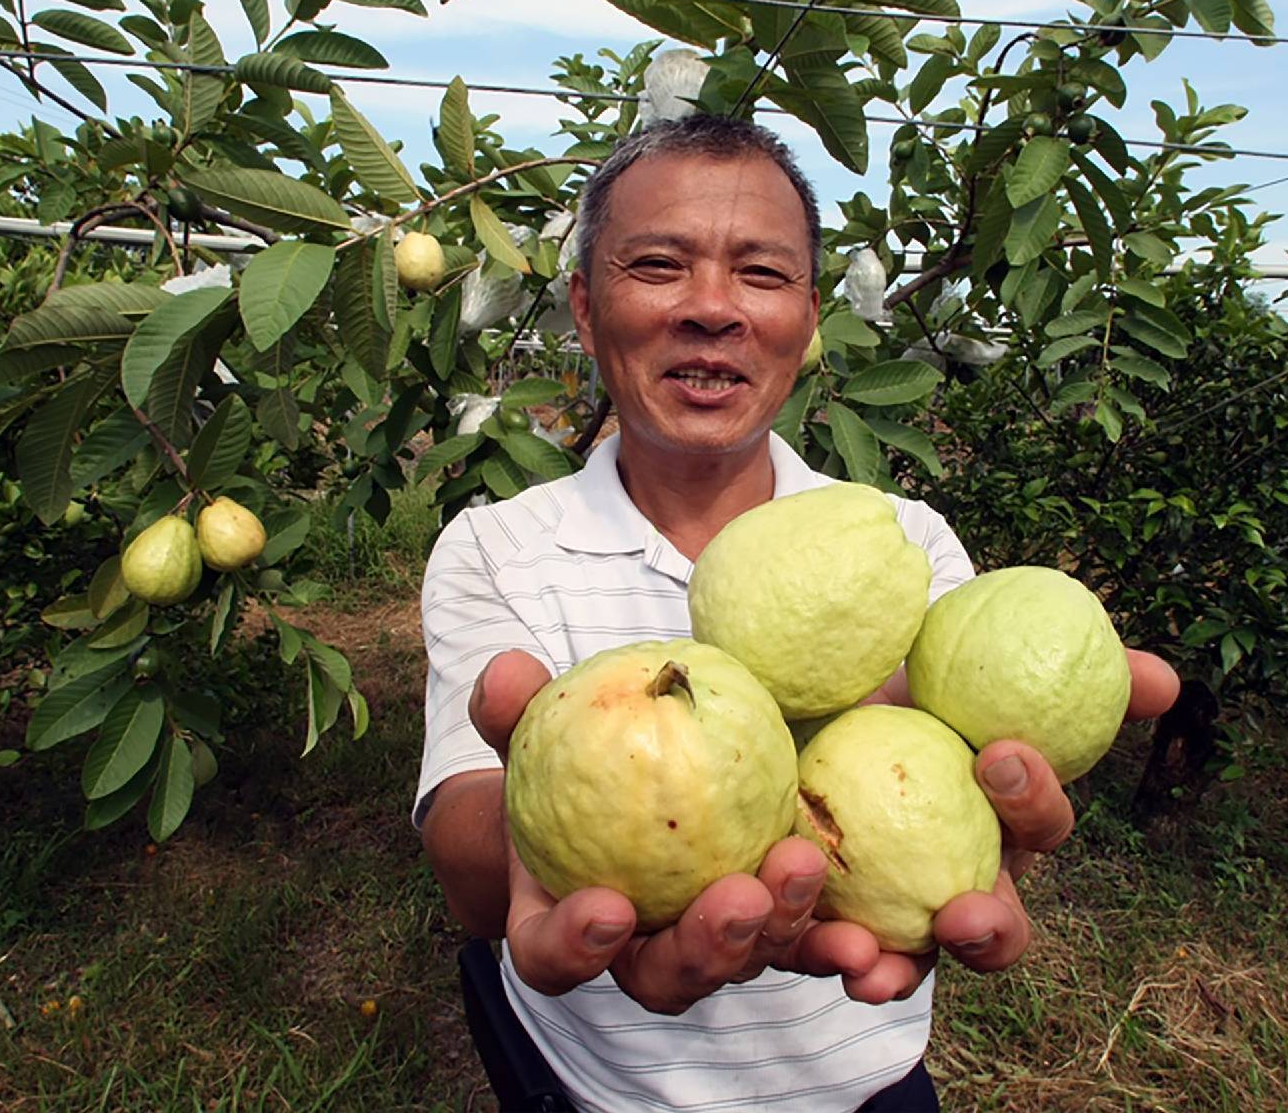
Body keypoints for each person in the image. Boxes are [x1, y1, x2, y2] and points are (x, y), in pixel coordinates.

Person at [415, 114, 1180, 1112]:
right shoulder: (491, 549)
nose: (713, 309)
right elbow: (469, 871)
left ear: (809, 320)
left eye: (763, 275)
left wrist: (990, 815)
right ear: (586, 310)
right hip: (593, 1083)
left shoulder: (902, 547)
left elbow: (957, 775)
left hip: (861, 1079)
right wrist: (572, 832)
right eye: (658, 265)